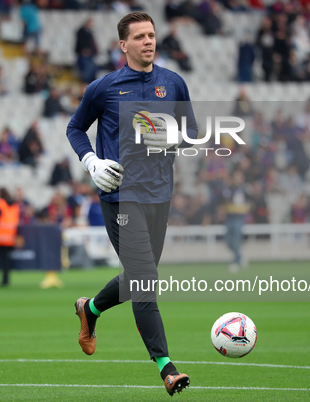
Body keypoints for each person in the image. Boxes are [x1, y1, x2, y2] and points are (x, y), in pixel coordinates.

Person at [66, 12, 196, 396]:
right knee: (144, 280)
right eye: (139, 36)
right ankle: (166, 366)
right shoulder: (103, 89)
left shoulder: (174, 83)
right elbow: (75, 128)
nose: (148, 41)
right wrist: (91, 161)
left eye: (151, 35)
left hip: (160, 195)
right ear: (123, 45)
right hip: (120, 197)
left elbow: (189, 133)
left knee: (139, 275)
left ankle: (89, 310)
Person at [222, 170, 250, 272]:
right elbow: (224, 199)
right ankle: (240, 256)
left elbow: (249, 201)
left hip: (239, 217)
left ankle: (235, 262)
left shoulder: (244, 189)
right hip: (230, 217)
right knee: (228, 241)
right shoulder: (229, 189)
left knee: (236, 240)